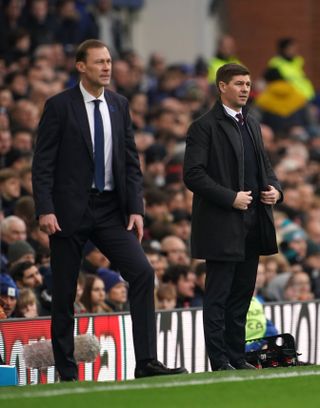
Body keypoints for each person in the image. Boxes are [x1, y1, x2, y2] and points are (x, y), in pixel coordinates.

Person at [32, 39, 186, 381]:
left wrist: (136, 208)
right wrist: (45, 208)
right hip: (68, 210)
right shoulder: (59, 106)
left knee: (143, 273)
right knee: (64, 291)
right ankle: (67, 371)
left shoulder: (119, 104)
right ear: (81, 66)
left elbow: (131, 161)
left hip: (110, 210)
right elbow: (43, 163)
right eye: (99, 61)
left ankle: (146, 362)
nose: (107, 67)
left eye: (109, 61)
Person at [183, 63, 282, 371]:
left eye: (248, 83)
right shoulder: (203, 126)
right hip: (221, 226)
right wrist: (230, 198)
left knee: (241, 296)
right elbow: (193, 175)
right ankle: (219, 360)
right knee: (218, 297)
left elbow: (265, 166)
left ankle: (237, 357)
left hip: (253, 225)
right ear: (222, 86)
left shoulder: (251, 124)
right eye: (239, 83)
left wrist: (275, 190)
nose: (245, 88)